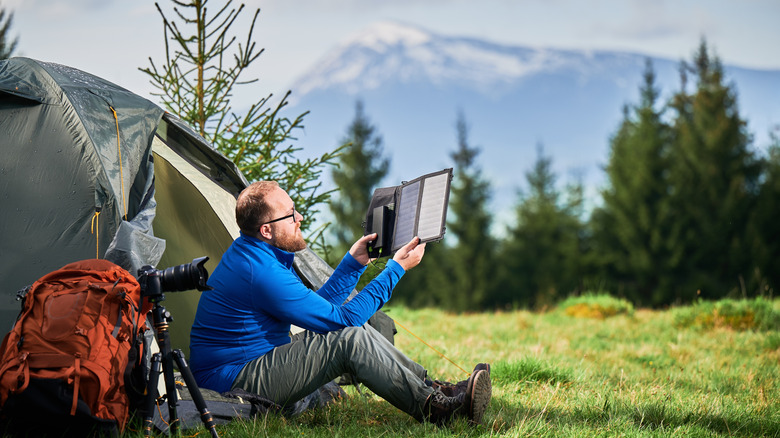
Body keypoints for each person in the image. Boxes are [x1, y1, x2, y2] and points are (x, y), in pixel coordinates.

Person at [189, 181, 491, 425]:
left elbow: (321, 313)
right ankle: (437, 409)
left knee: (349, 329)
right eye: (290, 215)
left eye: (296, 210)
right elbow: (343, 322)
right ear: (266, 230)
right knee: (348, 336)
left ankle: (437, 390)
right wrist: (395, 270)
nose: (299, 219)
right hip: (235, 380)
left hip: (254, 364)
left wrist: (353, 264)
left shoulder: (258, 254)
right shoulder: (261, 271)